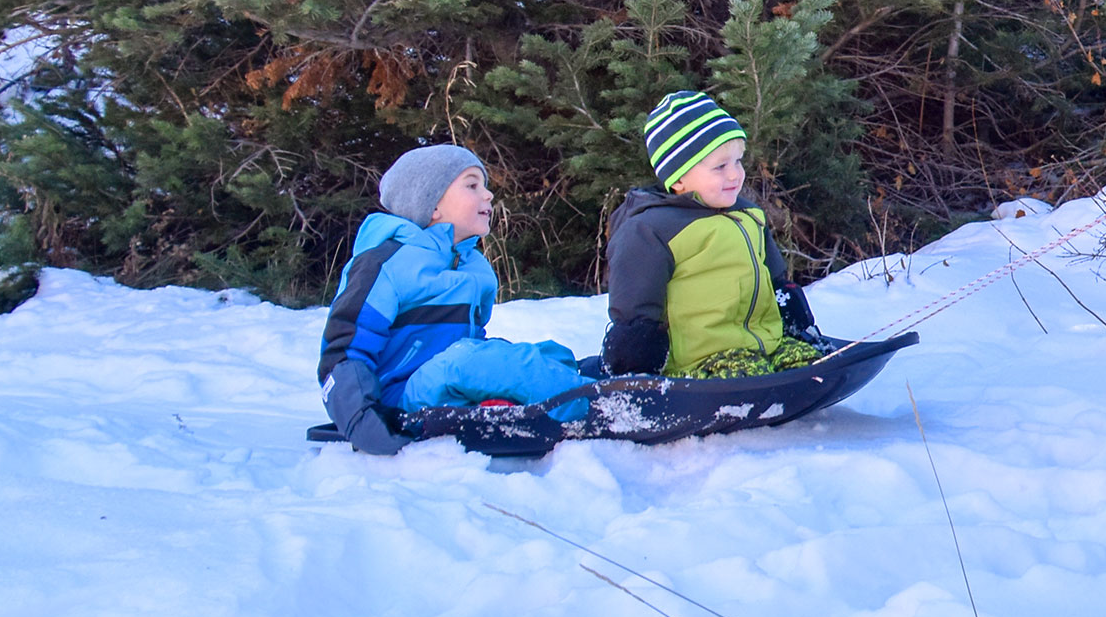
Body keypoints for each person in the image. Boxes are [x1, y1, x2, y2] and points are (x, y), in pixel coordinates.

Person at [319, 144, 591, 454]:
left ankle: (582, 384)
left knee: (549, 354)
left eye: (485, 186)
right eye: (472, 185)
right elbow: (343, 350)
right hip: (396, 398)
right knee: (482, 361)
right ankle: (587, 407)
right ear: (432, 205)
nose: (488, 195)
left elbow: (472, 341)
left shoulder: (474, 267)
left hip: (447, 385)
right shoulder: (386, 262)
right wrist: (360, 418)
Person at [601, 90, 827, 379]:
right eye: (720, 166)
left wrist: (792, 313)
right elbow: (635, 305)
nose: (735, 175)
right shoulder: (653, 229)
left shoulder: (747, 214)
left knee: (809, 363)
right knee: (747, 374)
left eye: (738, 161)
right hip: (700, 359)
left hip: (767, 343)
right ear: (679, 178)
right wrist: (635, 360)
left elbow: (775, 278)